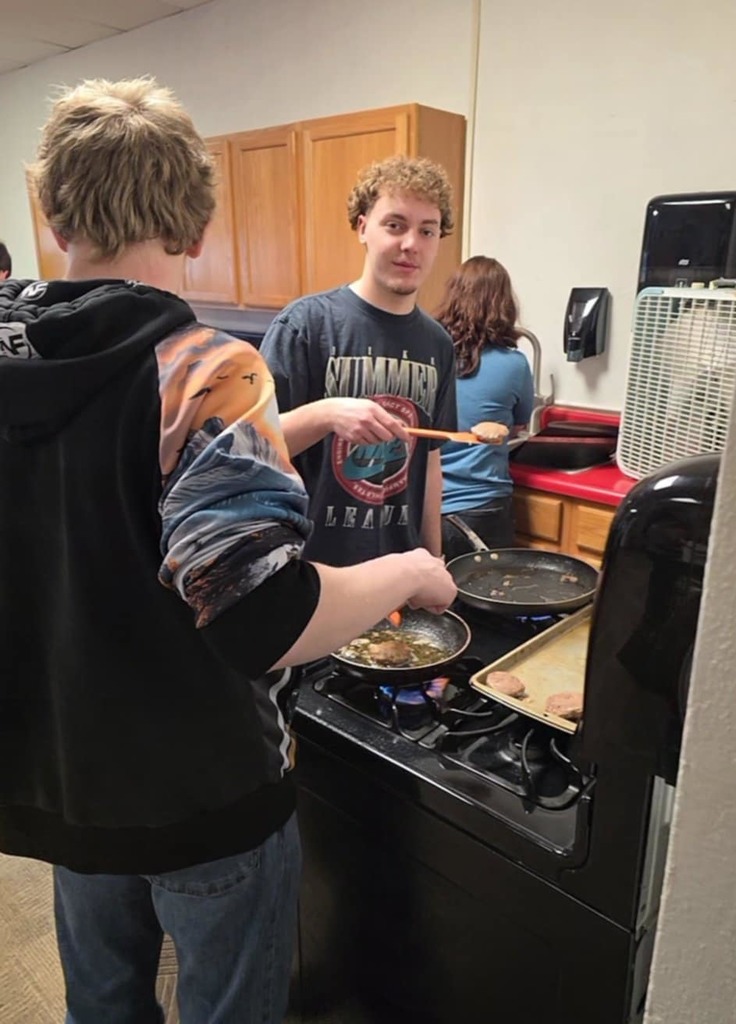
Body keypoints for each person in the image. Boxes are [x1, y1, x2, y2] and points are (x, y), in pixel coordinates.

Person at [0, 78, 456, 1024]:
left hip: (67, 785)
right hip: (200, 789)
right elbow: (262, 618)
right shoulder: (203, 370)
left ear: (47, 208)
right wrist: (411, 571)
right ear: (200, 226)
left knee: (105, 1004)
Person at [259, 155, 458, 566]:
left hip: (398, 572)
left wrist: (432, 558)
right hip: (312, 572)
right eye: (395, 225)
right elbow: (250, 449)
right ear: (363, 227)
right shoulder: (305, 326)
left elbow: (430, 465)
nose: (411, 244)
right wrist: (327, 414)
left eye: (427, 231)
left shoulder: (438, 343)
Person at [434, 256, 534, 562]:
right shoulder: (514, 364)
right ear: (505, 305)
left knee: (434, 605)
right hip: (485, 507)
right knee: (487, 600)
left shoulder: (428, 358)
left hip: (427, 509)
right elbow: (517, 427)